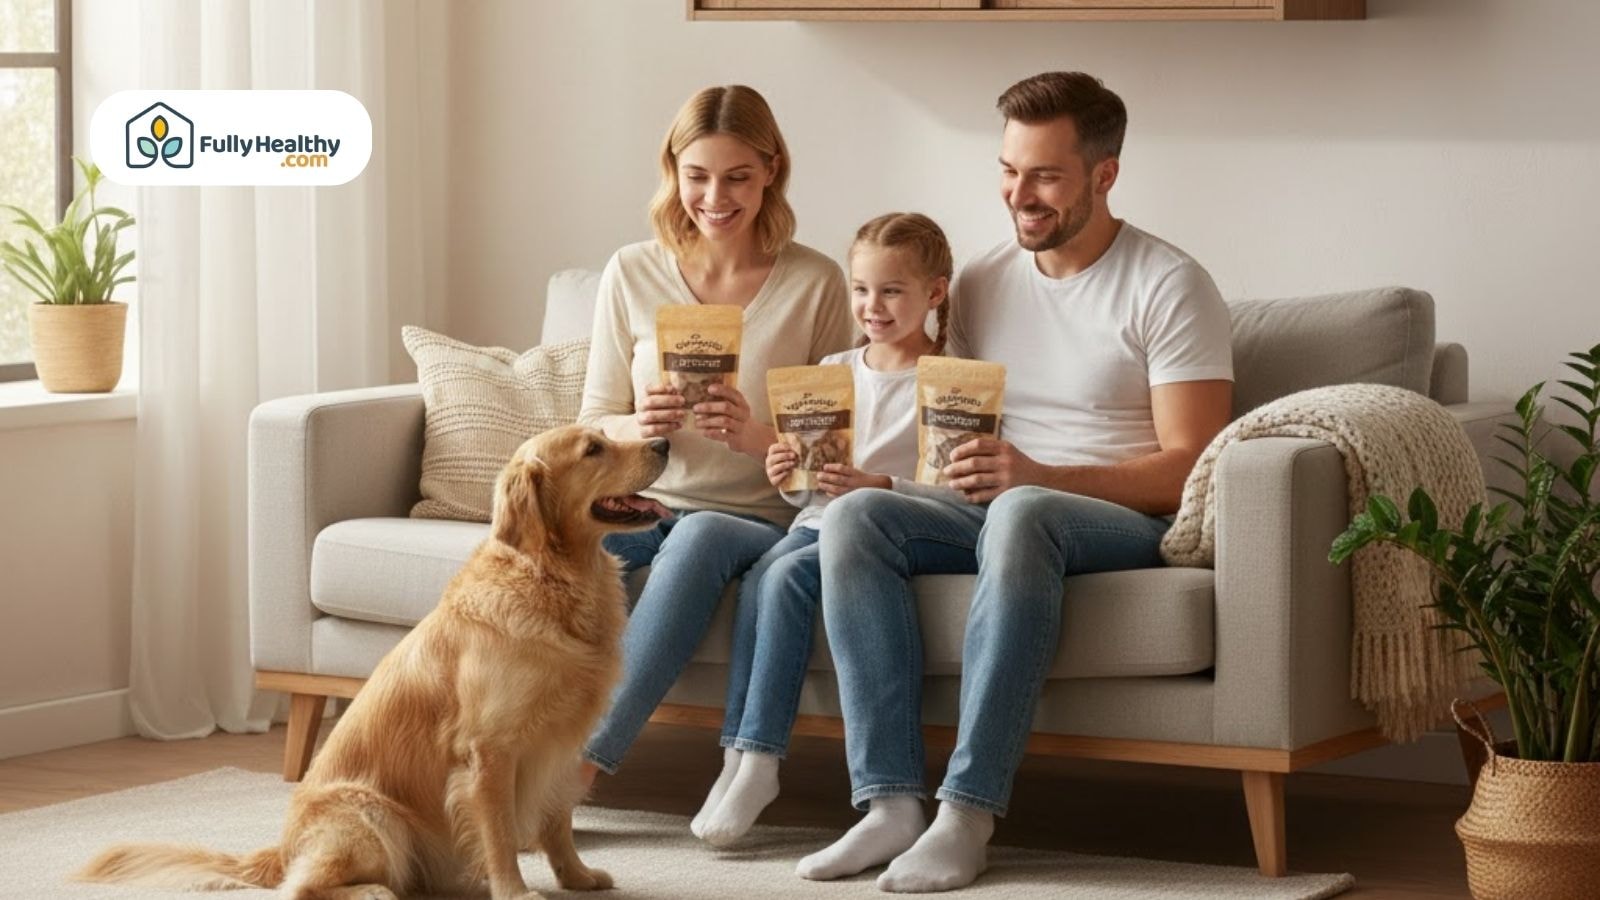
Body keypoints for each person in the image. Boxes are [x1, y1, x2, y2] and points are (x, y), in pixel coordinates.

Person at [798, 72, 1236, 893]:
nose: (1018, 194)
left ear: (1104, 175)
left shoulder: (1169, 285)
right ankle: (890, 802)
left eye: (1044, 175)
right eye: (1008, 169)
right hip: (992, 508)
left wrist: (1036, 474)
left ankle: (967, 813)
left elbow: (1194, 464)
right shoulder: (986, 281)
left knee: (1025, 509)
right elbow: (945, 430)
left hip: (1116, 519)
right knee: (859, 515)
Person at [576, 85, 855, 792]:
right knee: (538, 556)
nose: (715, 197)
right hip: (644, 497)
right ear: (674, 172)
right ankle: (471, 754)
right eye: (696, 176)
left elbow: (836, 457)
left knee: (698, 540)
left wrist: (757, 435)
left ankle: (571, 772)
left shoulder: (818, 284)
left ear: (771, 170)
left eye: (737, 176)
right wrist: (636, 426)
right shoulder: (631, 271)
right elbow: (593, 418)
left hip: (755, 516)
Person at [696, 213, 961, 847]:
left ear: (936, 292)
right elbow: (806, 479)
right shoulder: (834, 369)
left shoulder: (951, 380)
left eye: (893, 290)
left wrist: (879, 488)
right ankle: (737, 756)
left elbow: (956, 491)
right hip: (813, 521)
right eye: (862, 289)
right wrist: (785, 467)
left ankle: (760, 760)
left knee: (783, 577)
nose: (873, 306)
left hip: (883, 534)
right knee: (763, 577)